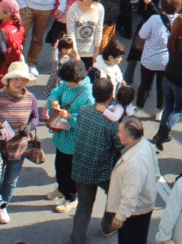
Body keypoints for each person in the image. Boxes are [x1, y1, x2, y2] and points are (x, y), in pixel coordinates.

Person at [0, 60, 38, 224]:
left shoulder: (31, 98)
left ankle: (1, 207)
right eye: (15, 79)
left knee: (11, 181)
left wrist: (30, 126)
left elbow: (35, 117)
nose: (19, 83)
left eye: (23, 80)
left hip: (19, 147)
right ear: (9, 80)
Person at [70, 77, 122, 241]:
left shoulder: (84, 111)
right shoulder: (112, 123)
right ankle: (108, 226)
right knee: (115, 196)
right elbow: (121, 146)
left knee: (84, 204)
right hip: (104, 170)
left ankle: (77, 236)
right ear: (111, 95)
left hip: (82, 165)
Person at [46, 60, 96, 213]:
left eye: (69, 82)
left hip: (75, 140)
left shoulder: (87, 93)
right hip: (62, 136)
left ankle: (71, 198)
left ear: (78, 79)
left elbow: (87, 120)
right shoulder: (67, 84)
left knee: (70, 171)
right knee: (59, 166)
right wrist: (53, 100)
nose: (67, 84)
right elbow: (57, 91)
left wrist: (69, 116)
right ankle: (61, 188)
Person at [105, 117, 158, 244]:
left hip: (135, 213)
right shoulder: (146, 144)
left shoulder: (134, 164)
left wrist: (119, 217)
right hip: (141, 207)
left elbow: (130, 195)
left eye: (120, 132)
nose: (117, 134)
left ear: (129, 138)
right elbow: (156, 172)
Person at [153, 14, 182, 147]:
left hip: (167, 76)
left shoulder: (171, 39)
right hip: (181, 81)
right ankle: (163, 133)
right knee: (179, 110)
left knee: (168, 106)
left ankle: (162, 134)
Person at [133, 3, 172, 119]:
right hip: (165, 60)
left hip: (149, 58)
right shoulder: (178, 19)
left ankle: (139, 109)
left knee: (144, 85)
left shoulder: (155, 18)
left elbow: (142, 34)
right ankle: (160, 111)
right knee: (162, 86)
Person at [68, 0, 105, 69]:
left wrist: (96, 52)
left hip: (91, 51)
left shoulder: (99, 8)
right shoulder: (73, 8)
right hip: (76, 51)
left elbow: (99, 30)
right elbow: (71, 32)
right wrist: (76, 54)